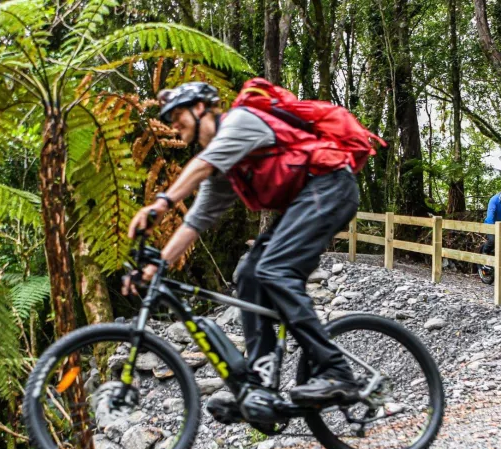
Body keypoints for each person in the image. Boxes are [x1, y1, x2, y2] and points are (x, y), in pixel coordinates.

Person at [123, 82, 362, 424]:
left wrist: (161, 202)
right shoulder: (223, 171)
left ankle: (337, 372)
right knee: (249, 273)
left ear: (201, 108)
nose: (175, 125)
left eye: (178, 115)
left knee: (275, 270)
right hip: (305, 200)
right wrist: (158, 265)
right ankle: (259, 386)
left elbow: (202, 166)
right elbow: (195, 222)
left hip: (330, 186)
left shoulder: (239, 122)